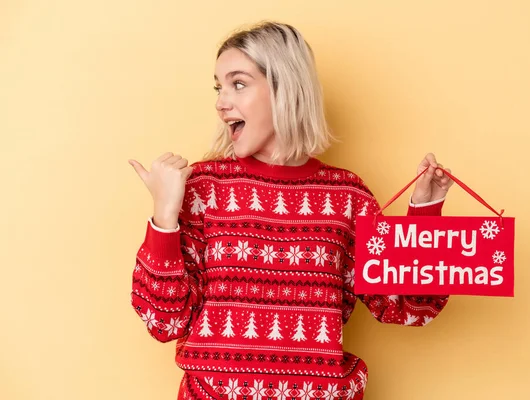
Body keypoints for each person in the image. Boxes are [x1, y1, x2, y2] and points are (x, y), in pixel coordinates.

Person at [128, 21, 454, 400]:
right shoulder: (201, 188)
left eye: (238, 83)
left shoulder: (347, 196)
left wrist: (425, 212)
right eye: (219, 87)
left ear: (285, 87)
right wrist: (164, 216)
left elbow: (409, 307)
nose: (220, 102)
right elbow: (163, 321)